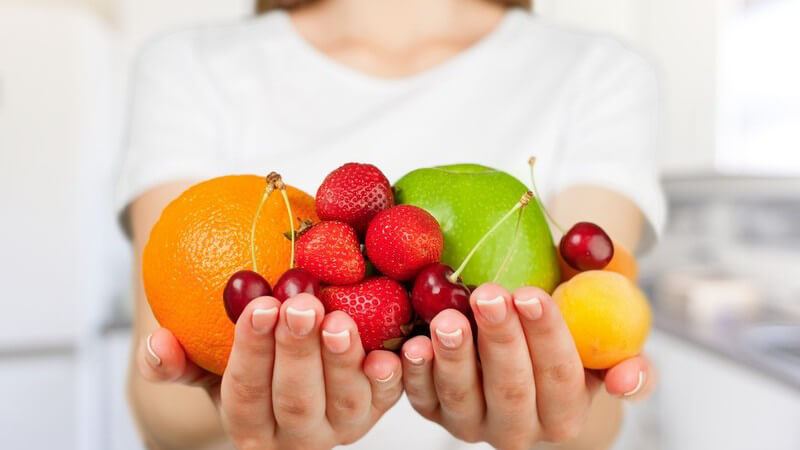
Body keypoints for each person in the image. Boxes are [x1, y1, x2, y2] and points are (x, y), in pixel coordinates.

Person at [118, 0, 665, 448]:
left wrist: (560, 409)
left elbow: (593, 402)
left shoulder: (604, 71)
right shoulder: (187, 64)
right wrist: (261, 399)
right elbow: (162, 401)